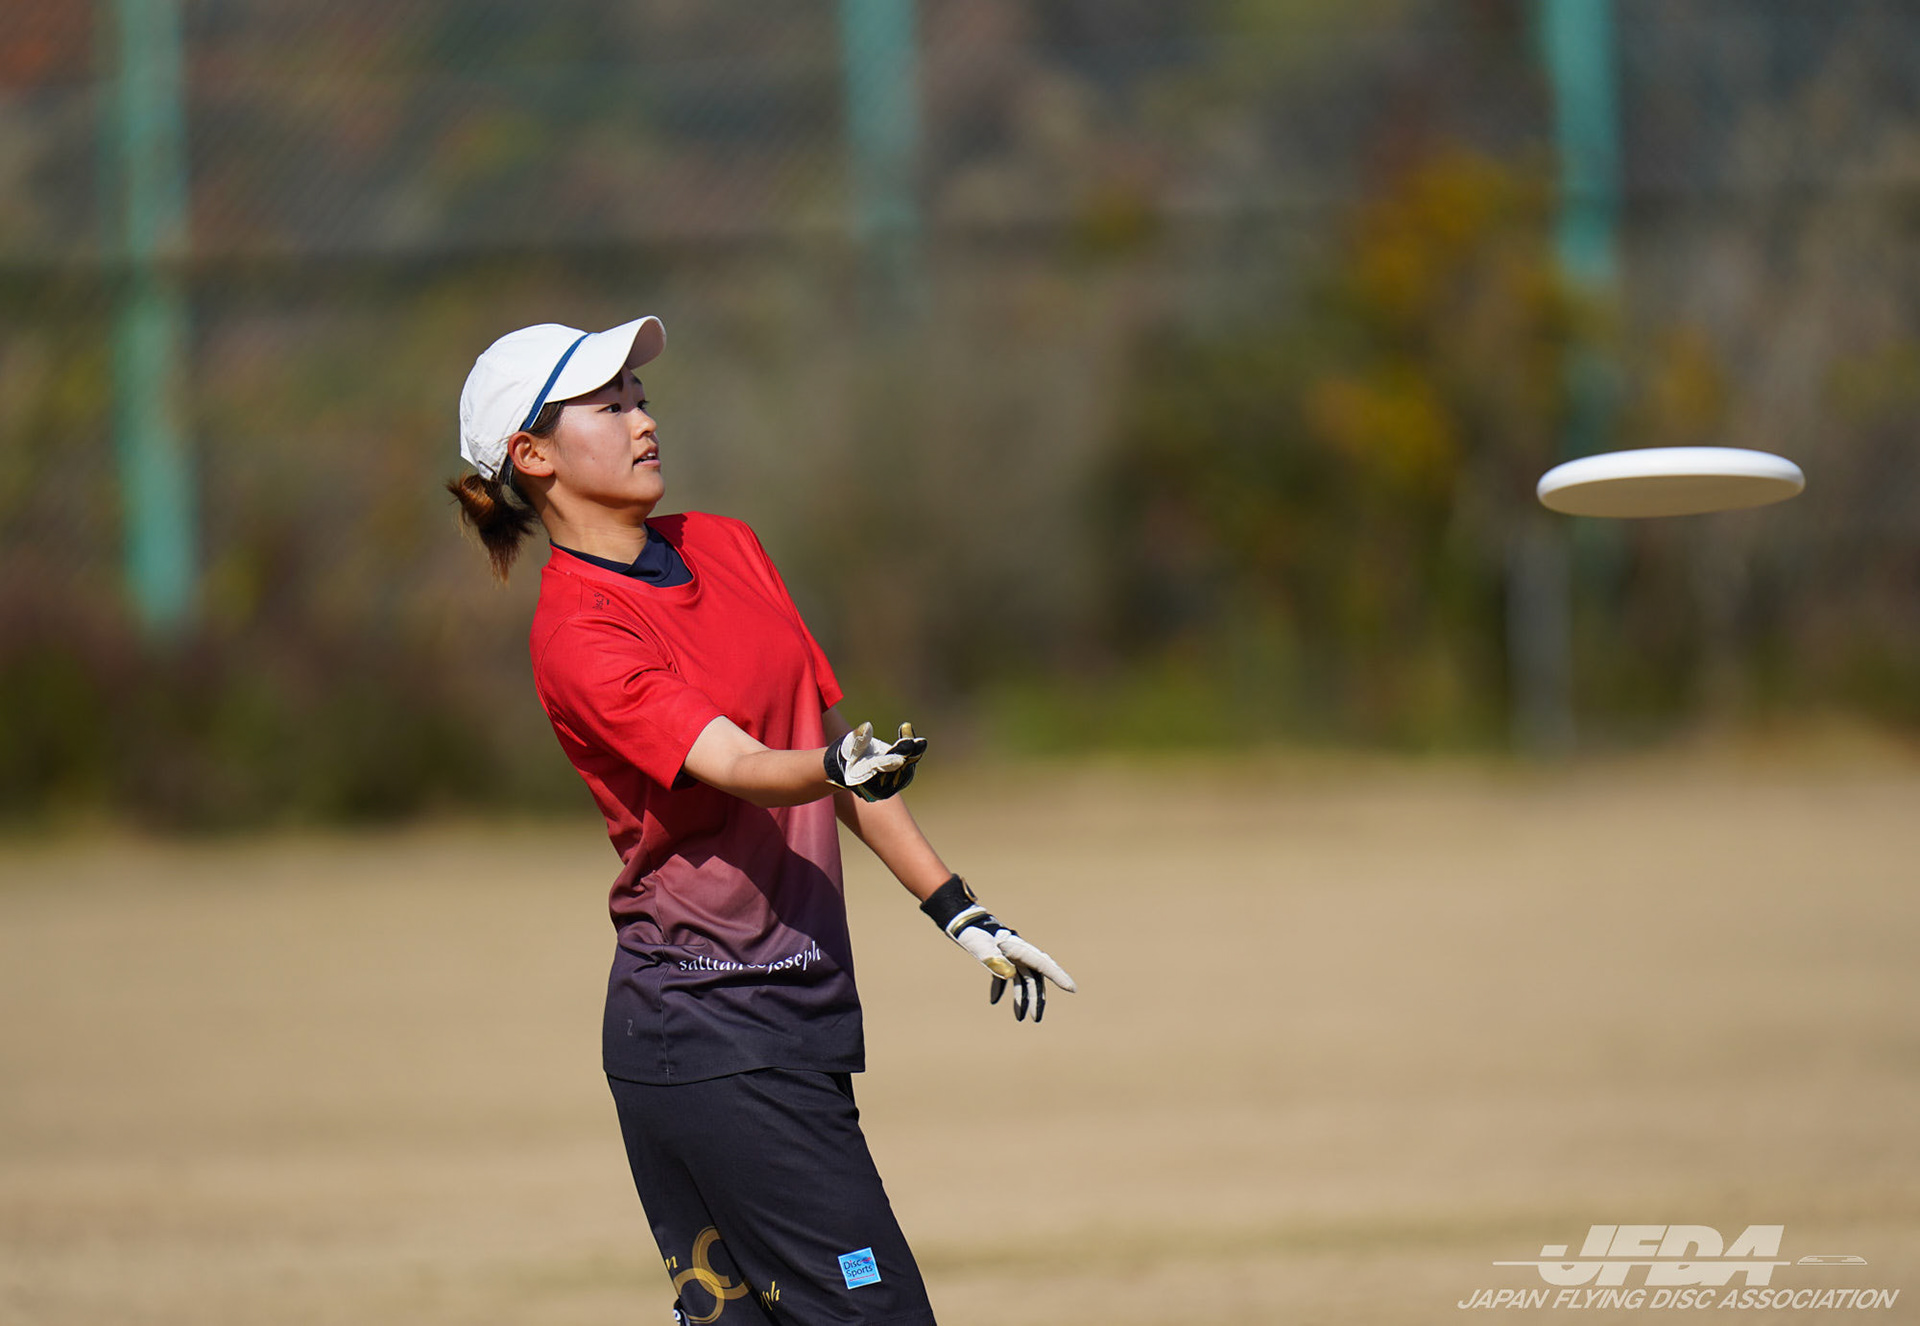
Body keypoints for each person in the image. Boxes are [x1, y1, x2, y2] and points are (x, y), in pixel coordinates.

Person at [447, 316, 1076, 1326]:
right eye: (607, 406)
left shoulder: (726, 544)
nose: (642, 419)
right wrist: (828, 766)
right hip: (713, 1032)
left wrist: (958, 911)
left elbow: (829, 752)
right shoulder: (580, 630)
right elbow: (742, 763)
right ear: (533, 455)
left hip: (786, 1022)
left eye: (639, 398)